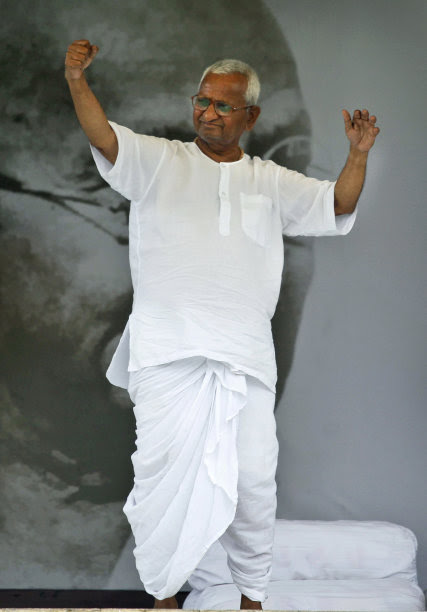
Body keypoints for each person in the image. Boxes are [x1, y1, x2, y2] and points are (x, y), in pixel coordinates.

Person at [65, 39, 379, 609]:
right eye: (201, 101)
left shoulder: (271, 180)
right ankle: (164, 598)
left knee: (255, 483)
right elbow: (104, 136)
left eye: (222, 105)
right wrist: (77, 82)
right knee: (161, 482)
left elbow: (336, 205)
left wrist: (357, 154)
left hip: (244, 356)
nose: (207, 112)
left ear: (250, 116)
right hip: (168, 353)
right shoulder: (159, 160)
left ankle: (251, 598)